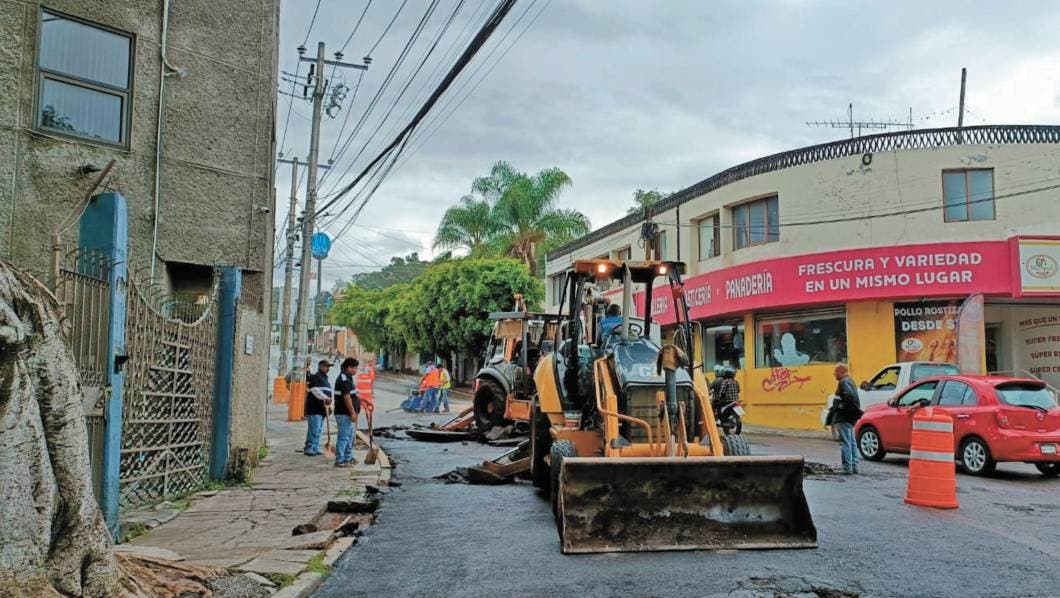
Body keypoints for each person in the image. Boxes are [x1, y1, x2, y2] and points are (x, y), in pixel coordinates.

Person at [831, 363, 863, 475]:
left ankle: (847, 468)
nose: (834, 373)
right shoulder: (850, 380)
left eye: (836, 371)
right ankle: (854, 466)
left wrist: (841, 406)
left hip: (844, 417)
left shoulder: (843, 382)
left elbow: (848, 396)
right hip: (850, 417)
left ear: (841, 371)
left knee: (845, 442)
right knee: (851, 442)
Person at [332, 358, 360, 467]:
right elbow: (347, 397)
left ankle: (348, 457)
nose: (356, 370)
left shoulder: (348, 378)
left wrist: (361, 400)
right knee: (343, 436)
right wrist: (353, 412)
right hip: (344, 413)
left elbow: (352, 394)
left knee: (349, 436)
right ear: (349, 367)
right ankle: (339, 460)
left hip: (346, 413)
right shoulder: (343, 379)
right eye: (355, 368)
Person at [304, 359, 333, 456]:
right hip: (315, 408)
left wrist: (329, 407)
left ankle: (315, 447)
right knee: (314, 428)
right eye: (326, 366)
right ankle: (309, 447)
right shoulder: (315, 377)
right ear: (320, 367)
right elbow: (315, 390)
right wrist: (326, 398)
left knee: (319, 429)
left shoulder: (325, 379)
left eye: (328, 367)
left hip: (322, 409)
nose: (328, 368)